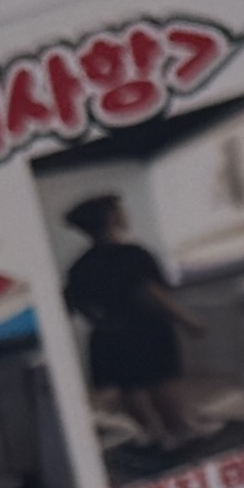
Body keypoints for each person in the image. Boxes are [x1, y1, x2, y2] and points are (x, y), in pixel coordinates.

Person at [59, 191, 214, 458]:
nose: (126, 214)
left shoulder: (79, 266)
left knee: (129, 387)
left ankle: (154, 434)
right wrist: (188, 321)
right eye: (121, 209)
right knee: (162, 382)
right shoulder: (132, 254)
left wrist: (101, 320)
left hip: (109, 334)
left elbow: (74, 304)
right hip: (145, 329)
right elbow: (150, 293)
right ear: (111, 217)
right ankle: (180, 430)